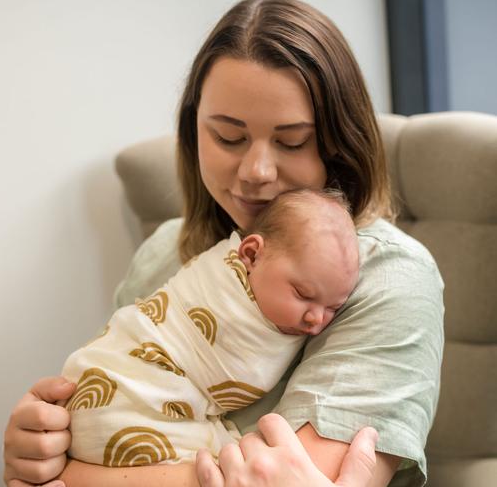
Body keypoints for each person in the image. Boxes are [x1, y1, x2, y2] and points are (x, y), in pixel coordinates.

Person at [3, 0, 444, 486]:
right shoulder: (163, 254)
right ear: (194, 133)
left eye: (292, 142)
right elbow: (114, 404)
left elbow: (294, 479)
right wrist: (41, 449)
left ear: (341, 140)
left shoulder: (391, 277)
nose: (256, 172)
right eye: (228, 137)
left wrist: (69, 477)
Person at [60, 189, 359, 467]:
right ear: (251, 255)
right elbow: (235, 370)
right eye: (303, 294)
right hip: (123, 378)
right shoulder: (217, 280)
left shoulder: (379, 286)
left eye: (333, 307)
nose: (317, 320)